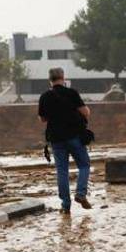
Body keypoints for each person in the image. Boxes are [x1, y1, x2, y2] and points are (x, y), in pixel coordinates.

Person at [38, 67, 92, 214]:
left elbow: (43, 119)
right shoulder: (71, 93)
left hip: (56, 139)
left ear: (50, 79)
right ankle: (80, 193)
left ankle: (65, 205)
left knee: (62, 171)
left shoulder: (45, 96)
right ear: (63, 77)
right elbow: (86, 112)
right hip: (74, 136)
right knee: (84, 165)